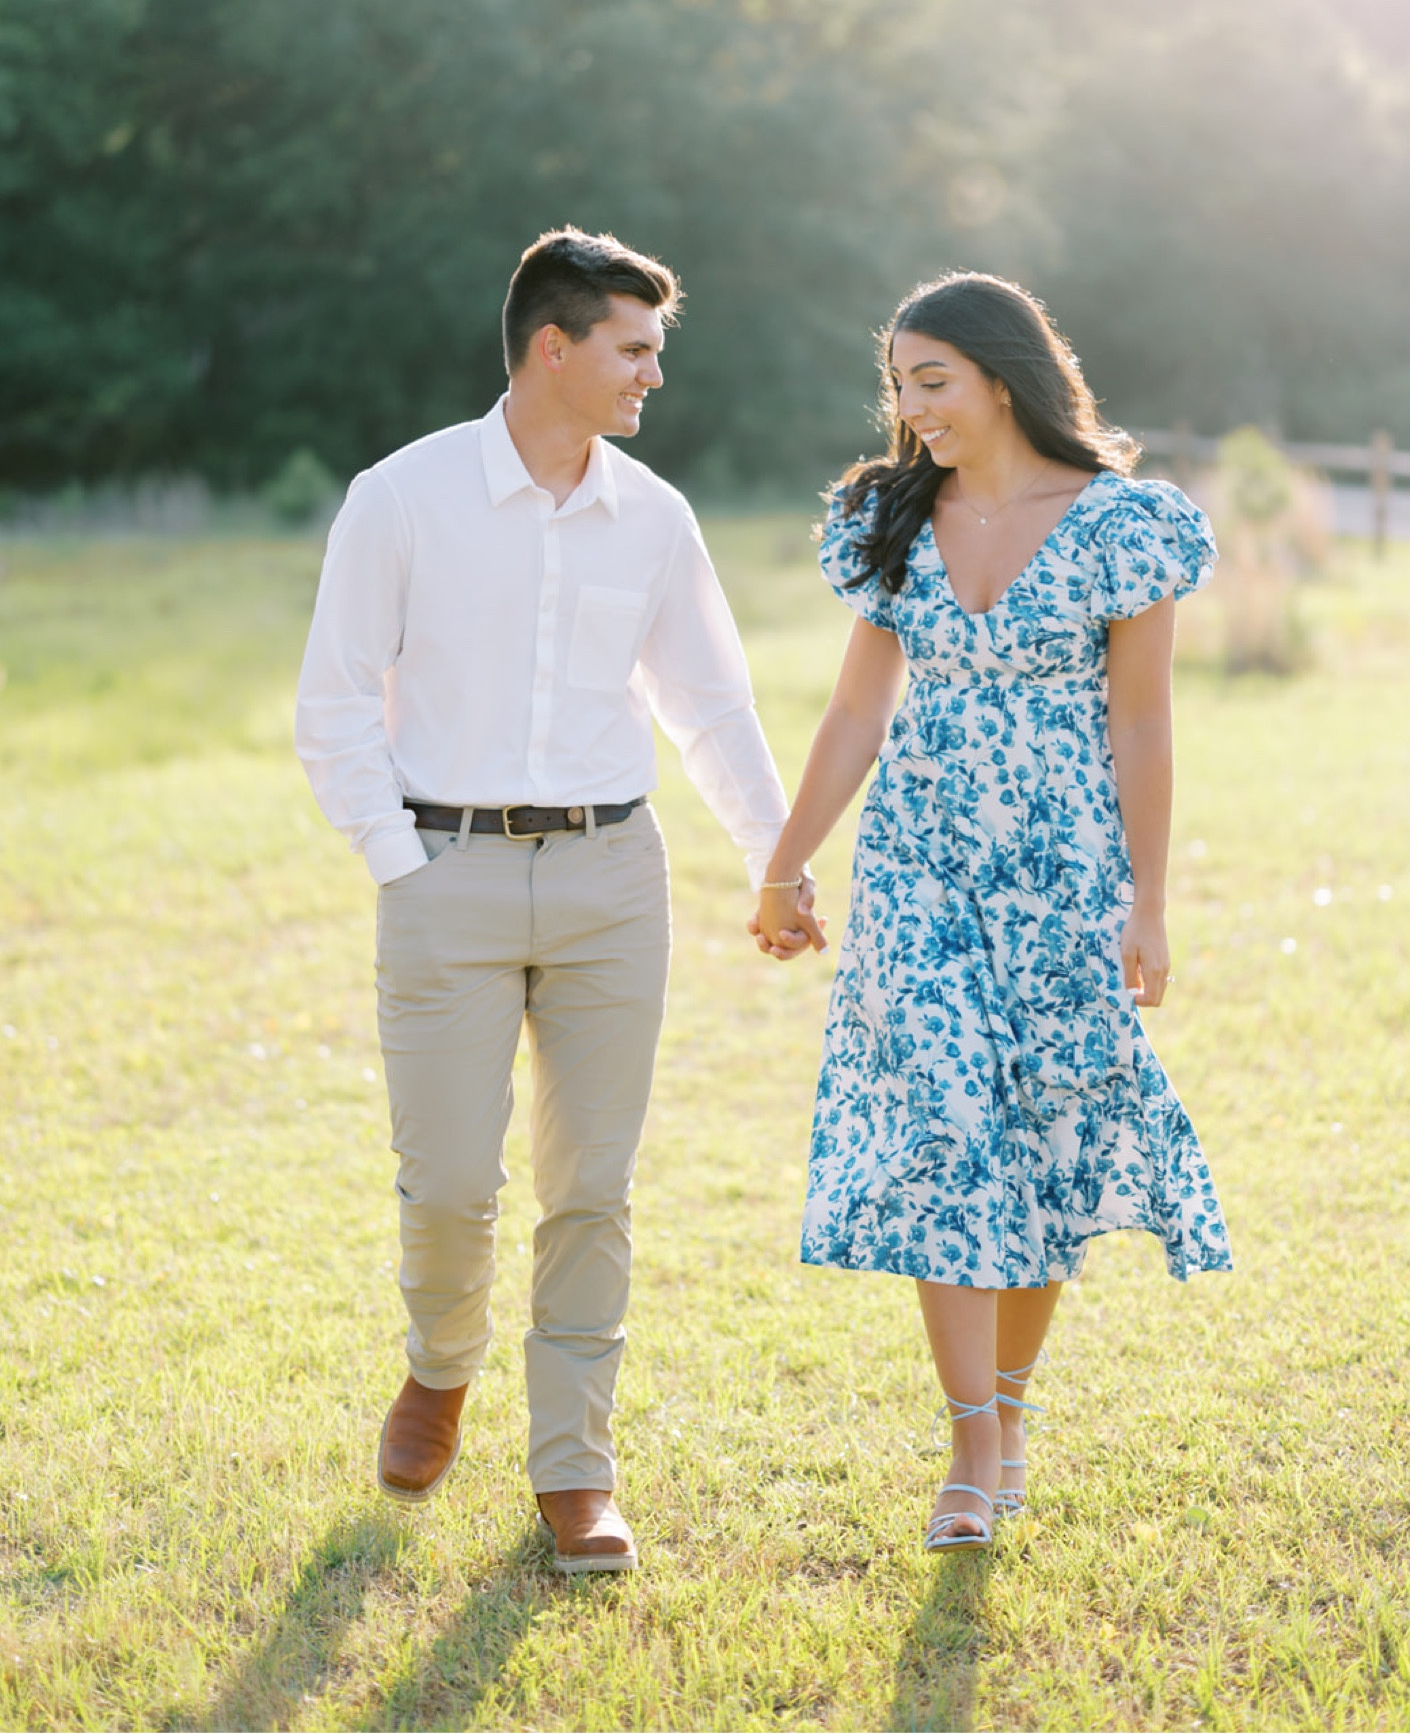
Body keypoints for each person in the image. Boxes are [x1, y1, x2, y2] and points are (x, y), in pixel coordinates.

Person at [295, 227, 789, 1574]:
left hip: (610, 880)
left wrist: (773, 856)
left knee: (593, 1187)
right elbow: (331, 704)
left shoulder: (656, 516)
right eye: (633, 349)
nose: (652, 376)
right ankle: (438, 1365)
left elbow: (710, 706)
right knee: (450, 1182)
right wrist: (404, 862)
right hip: (441, 872)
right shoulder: (399, 497)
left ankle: (575, 1467)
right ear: (551, 347)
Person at [752, 271, 1232, 1553]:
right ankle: (971, 1442)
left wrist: (1150, 900)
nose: (911, 412)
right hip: (918, 872)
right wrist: (785, 863)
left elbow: (1143, 718)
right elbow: (858, 712)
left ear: (1001, 376)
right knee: (945, 1131)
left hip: (1064, 875)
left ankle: (1010, 1407)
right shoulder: (892, 520)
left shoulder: (1122, 525)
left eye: (932, 382)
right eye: (898, 386)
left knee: (1041, 1141)